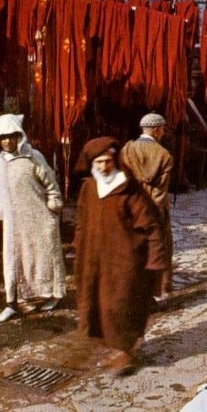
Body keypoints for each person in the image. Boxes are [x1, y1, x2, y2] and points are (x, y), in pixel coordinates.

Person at [73, 137, 168, 375]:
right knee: (101, 305)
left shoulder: (129, 189)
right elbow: (82, 222)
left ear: (115, 161)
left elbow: (151, 226)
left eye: (108, 161)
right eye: (99, 162)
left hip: (126, 261)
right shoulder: (89, 188)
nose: (104, 167)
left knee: (123, 305)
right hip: (96, 260)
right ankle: (120, 349)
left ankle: (126, 352)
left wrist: (156, 258)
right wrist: (78, 246)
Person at [0, 115, 67, 323]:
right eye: (3, 138)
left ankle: (55, 295)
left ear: (19, 137)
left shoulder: (33, 156)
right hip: (14, 222)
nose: (7, 142)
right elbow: (1, 190)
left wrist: (54, 205)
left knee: (45, 256)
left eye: (11, 137)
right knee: (14, 260)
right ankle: (11, 303)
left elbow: (51, 184)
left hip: (39, 216)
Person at [121, 112, 174, 296]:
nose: (164, 133)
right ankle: (159, 291)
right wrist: (155, 212)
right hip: (154, 209)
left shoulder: (127, 149)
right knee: (159, 249)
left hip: (132, 207)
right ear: (157, 130)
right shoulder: (164, 155)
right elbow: (160, 190)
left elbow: (123, 181)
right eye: (163, 129)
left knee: (134, 249)